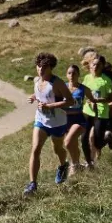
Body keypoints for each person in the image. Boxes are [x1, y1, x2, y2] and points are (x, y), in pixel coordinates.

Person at [25, 52, 72, 195]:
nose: (41, 70)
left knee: (57, 149)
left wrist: (49, 106)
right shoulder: (37, 81)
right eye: (39, 66)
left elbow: (70, 101)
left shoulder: (57, 83)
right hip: (41, 120)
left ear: (51, 68)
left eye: (44, 67)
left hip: (57, 122)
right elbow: (41, 94)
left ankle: (63, 165)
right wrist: (33, 97)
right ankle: (32, 184)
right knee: (35, 149)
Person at [81, 55, 112, 165]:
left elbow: (111, 97)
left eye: (98, 65)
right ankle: (89, 162)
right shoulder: (87, 78)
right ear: (90, 66)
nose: (96, 66)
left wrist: (98, 100)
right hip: (87, 111)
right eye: (94, 64)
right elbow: (84, 93)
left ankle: (108, 138)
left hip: (101, 113)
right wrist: (88, 100)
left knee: (97, 142)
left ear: (102, 67)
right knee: (84, 138)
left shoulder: (106, 80)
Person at [64, 64, 92, 175]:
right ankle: (77, 165)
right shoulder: (63, 87)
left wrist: (92, 103)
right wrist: (34, 96)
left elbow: (93, 99)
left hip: (78, 119)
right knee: (73, 144)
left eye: (74, 73)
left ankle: (73, 165)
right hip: (65, 120)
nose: (72, 75)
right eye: (69, 73)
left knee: (68, 142)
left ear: (78, 75)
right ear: (66, 75)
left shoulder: (83, 89)